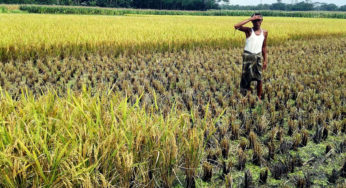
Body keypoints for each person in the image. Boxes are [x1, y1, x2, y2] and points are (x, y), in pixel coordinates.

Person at [234, 13, 268, 99]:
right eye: (255, 20)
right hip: (248, 56)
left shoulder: (264, 32)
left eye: (258, 20)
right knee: (247, 77)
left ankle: (259, 97)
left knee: (259, 78)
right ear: (252, 22)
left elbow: (264, 47)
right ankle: (247, 95)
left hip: (258, 56)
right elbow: (236, 26)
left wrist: (265, 60)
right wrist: (250, 19)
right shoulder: (249, 31)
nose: (257, 22)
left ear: (261, 21)